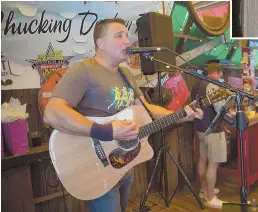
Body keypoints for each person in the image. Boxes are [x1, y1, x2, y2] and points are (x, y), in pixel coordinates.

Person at [43, 18, 204, 212]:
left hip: (124, 165)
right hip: (96, 168)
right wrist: (107, 132)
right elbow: (52, 113)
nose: (127, 41)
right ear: (100, 43)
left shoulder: (126, 74)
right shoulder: (83, 70)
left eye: (127, 36)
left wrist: (178, 115)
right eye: (119, 36)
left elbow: (146, 109)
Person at [191, 63, 228, 209]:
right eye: (220, 73)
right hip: (213, 130)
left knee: (202, 159)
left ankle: (204, 189)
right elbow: (221, 109)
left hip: (200, 129)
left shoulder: (196, 85)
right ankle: (210, 197)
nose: (221, 77)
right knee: (213, 164)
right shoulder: (213, 86)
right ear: (217, 72)